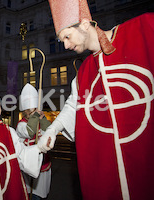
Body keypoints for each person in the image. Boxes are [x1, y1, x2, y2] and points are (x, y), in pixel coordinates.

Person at [39, 1, 154, 200]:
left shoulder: (144, 29)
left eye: (67, 36)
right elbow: (73, 105)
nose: (66, 45)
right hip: (107, 179)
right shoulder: (83, 73)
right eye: (61, 41)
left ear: (84, 23)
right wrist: (53, 129)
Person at [16, 83, 52, 200]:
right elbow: (30, 132)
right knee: (31, 195)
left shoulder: (39, 120)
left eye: (36, 111)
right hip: (29, 167)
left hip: (43, 166)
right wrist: (35, 116)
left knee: (42, 195)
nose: (35, 115)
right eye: (32, 113)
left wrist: (43, 119)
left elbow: (49, 131)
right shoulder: (21, 125)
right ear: (26, 112)